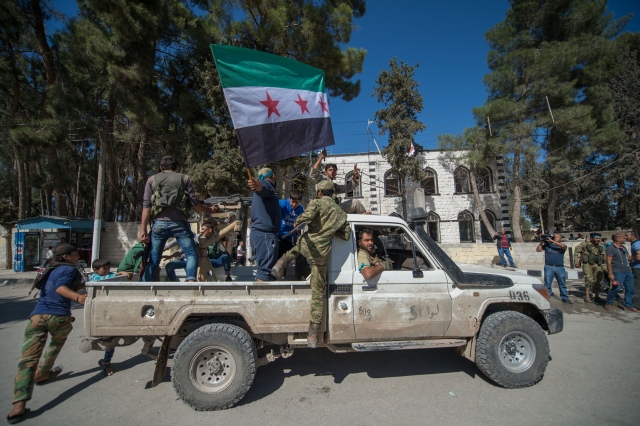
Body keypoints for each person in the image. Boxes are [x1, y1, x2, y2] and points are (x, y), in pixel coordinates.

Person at [7, 244, 87, 423]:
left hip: (36, 317)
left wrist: (86, 285)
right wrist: (78, 297)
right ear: (66, 256)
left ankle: (18, 405)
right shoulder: (68, 269)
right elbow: (60, 288)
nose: (77, 256)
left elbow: (58, 287)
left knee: (28, 359)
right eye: (75, 254)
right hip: (57, 316)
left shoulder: (50, 269)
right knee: (55, 345)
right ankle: (43, 372)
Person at [270, 180, 351, 348]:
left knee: (298, 245)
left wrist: (298, 221)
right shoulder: (340, 213)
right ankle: (313, 334)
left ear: (320, 192)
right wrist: (330, 231)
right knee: (318, 293)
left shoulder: (316, 203)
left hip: (307, 245)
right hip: (322, 254)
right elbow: (346, 236)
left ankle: (281, 263)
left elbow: (305, 218)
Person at [139, 156, 218, 282]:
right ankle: (190, 281)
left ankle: (145, 286)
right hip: (179, 223)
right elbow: (194, 203)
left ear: (160, 167)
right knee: (191, 254)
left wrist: (143, 229)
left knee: (154, 259)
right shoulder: (184, 178)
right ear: (176, 167)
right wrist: (209, 210)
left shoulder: (152, 179)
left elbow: (146, 206)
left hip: (159, 224)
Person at [309, 149, 368, 214]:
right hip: (323, 208)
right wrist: (321, 157)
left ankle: (366, 218)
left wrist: (354, 175)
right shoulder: (321, 179)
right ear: (325, 172)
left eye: (334, 170)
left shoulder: (334, 186)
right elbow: (313, 174)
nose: (332, 172)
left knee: (356, 203)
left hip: (333, 208)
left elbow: (348, 187)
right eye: (330, 170)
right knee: (355, 203)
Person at [247, 167, 281, 281]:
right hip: (265, 236)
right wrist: (258, 185)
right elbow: (263, 188)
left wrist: (258, 185)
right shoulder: (268, 185)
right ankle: (260, 292)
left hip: (260, 235)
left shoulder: (260, 190)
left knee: (266, 271)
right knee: (265, 272)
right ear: (273, 176)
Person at [604, 233, 637, 312]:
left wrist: (635, 257)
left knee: (630, 289)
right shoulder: (610, 248)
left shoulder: (623, 248)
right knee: (616, 288)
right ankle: (609, 302)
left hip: (627, 271)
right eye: (623, 237)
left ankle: (628, 305)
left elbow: (629, 258)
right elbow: (608, 262)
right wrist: (610, 273)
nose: (625, 238)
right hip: (618, 272)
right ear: (617, 239)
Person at [537, 233, 572, 304]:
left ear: (560, 239)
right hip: (549, 266)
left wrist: (552, 241)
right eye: (554, 237)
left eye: (556, 237)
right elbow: (538, 250)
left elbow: (563, 247)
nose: (554, 238)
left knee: (562, 284)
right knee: (547, 283)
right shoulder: (547, 245)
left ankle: (564, 298)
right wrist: (541, 243)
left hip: (559, 267)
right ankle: (547, 297)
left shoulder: (562, 246)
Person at [574, 233, 607, 303]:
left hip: (597, 264)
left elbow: (604, 254)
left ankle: (597, 296)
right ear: (591, 238)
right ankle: (587, 296)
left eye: (599, 238)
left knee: (598, 280)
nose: (598, 240)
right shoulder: (585, 244)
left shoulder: (600, 246)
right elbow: (576, 252)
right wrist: (576, 262)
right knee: (588, 279)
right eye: (596, 238)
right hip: (587, 264)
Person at [625, 231, 640, 309]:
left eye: (627, 235)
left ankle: (636, 305)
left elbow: (639, 256)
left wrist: (629, 258)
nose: (625, 237)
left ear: (633, 236)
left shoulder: (636, 244)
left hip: (637, 268)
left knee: (637, 286)